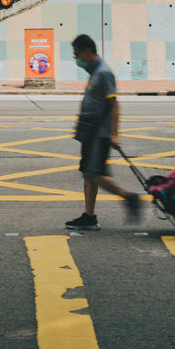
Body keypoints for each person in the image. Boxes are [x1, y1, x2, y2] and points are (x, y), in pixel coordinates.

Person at [66, 33, 140, 231]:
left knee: (94, 173)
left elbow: (114, 104)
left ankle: (130, 198)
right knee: (87, 174)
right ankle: (89, 216)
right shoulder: (95, 71)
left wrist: (114, 134)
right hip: (90, 131)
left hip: (100, 133)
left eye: (77, 55)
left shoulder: (103, 73)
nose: (77, 60)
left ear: (87, 51)